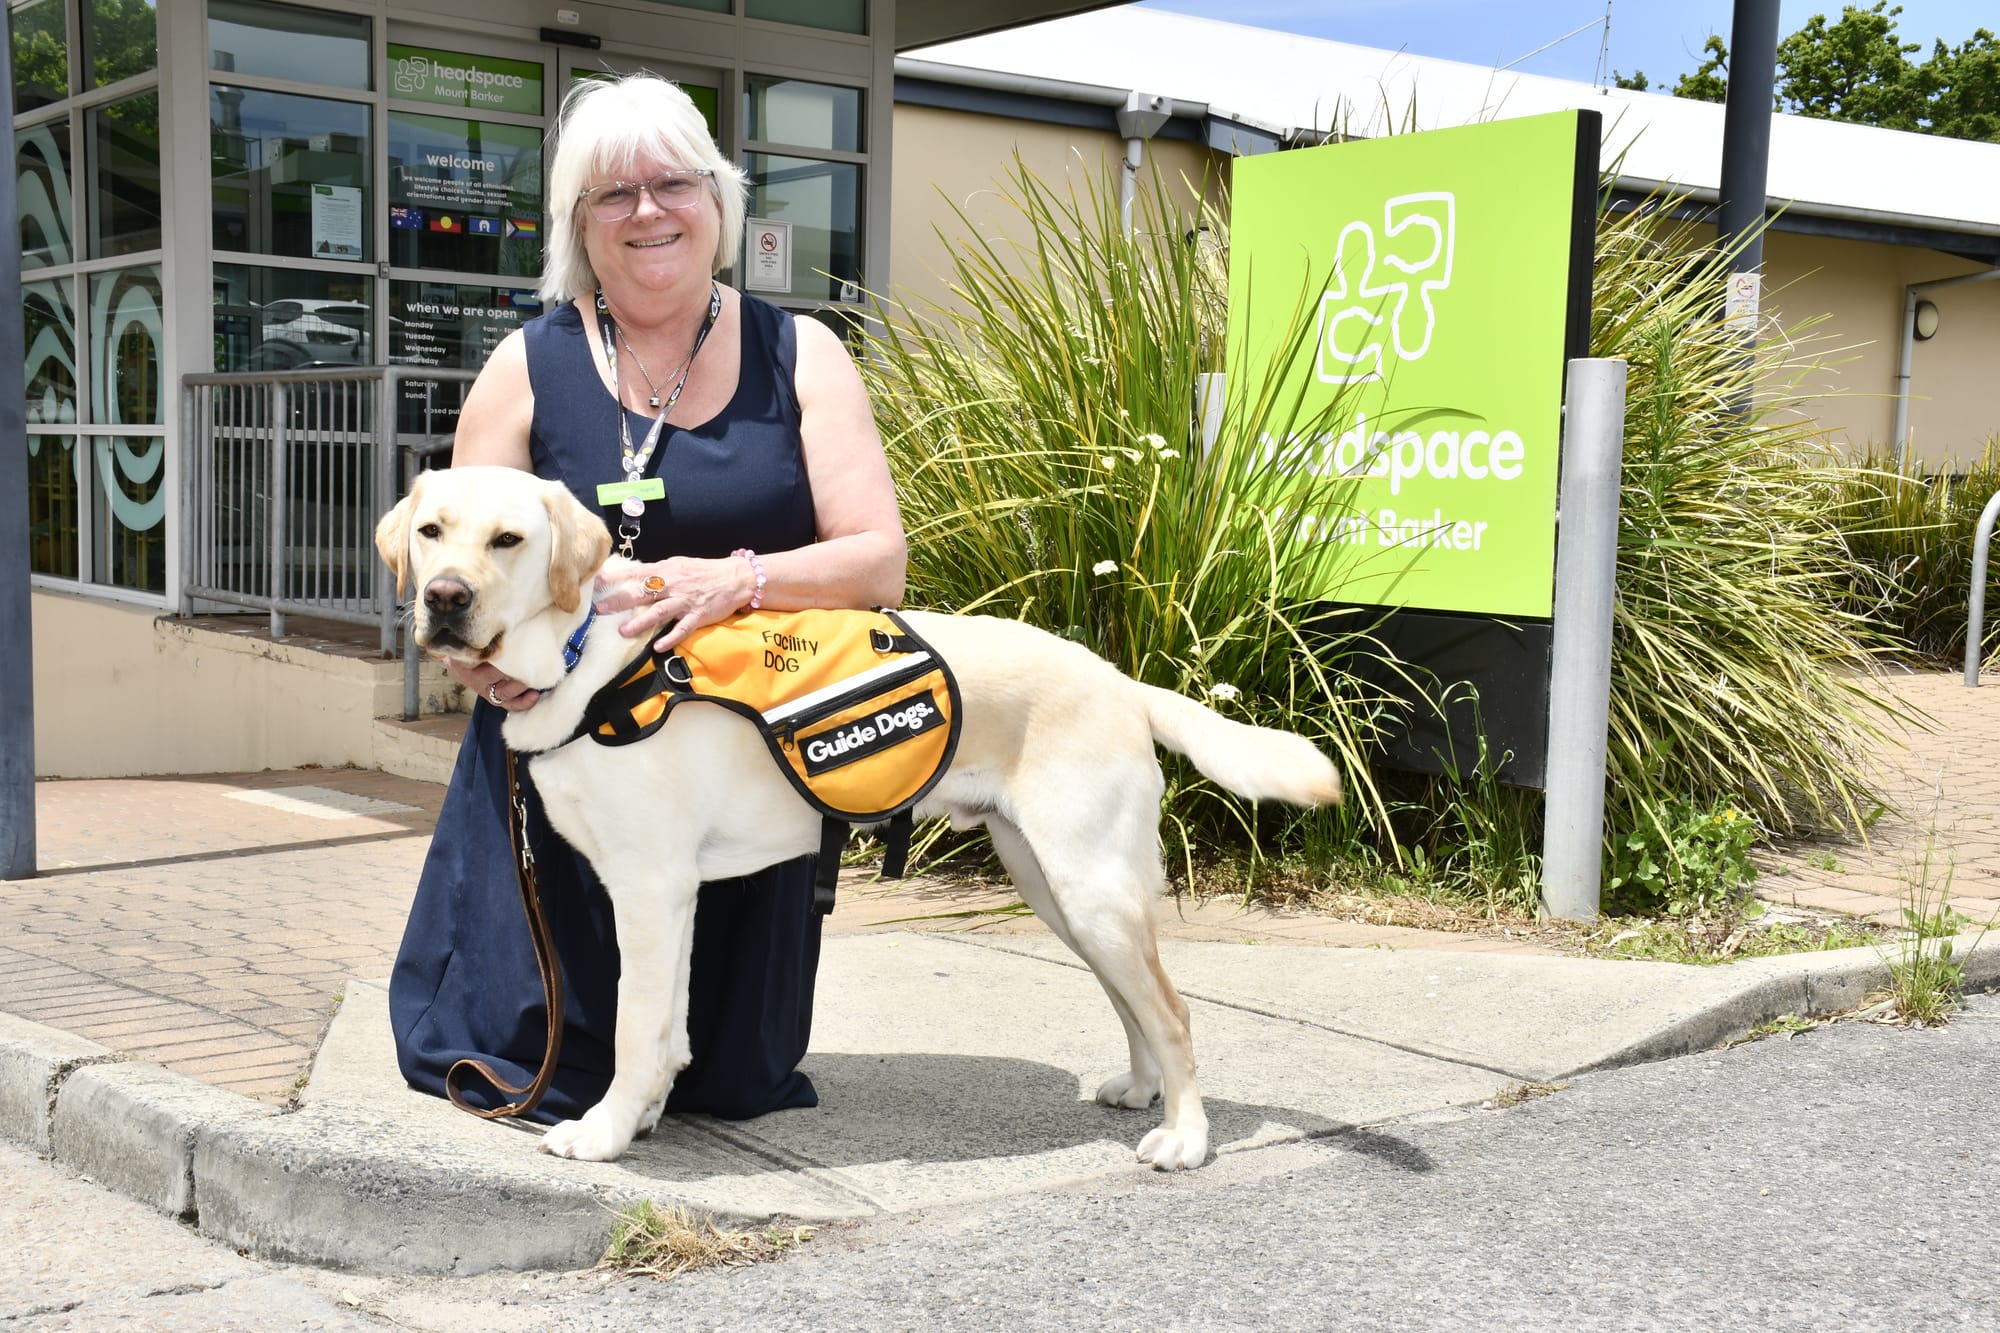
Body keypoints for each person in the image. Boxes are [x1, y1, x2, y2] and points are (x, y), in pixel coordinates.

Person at [389, 72, 906, 1124]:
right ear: (579, 224)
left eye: (672, 183)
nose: (647, 212)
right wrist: (485, 667)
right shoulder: (525, 365)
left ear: (718, 201)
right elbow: (462, 581)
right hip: (563, 772)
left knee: (729, 1082)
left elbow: (877, 561)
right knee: (534, 1063)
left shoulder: (799, 352)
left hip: (745, 758)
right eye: (612, 195)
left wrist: (740, 577)